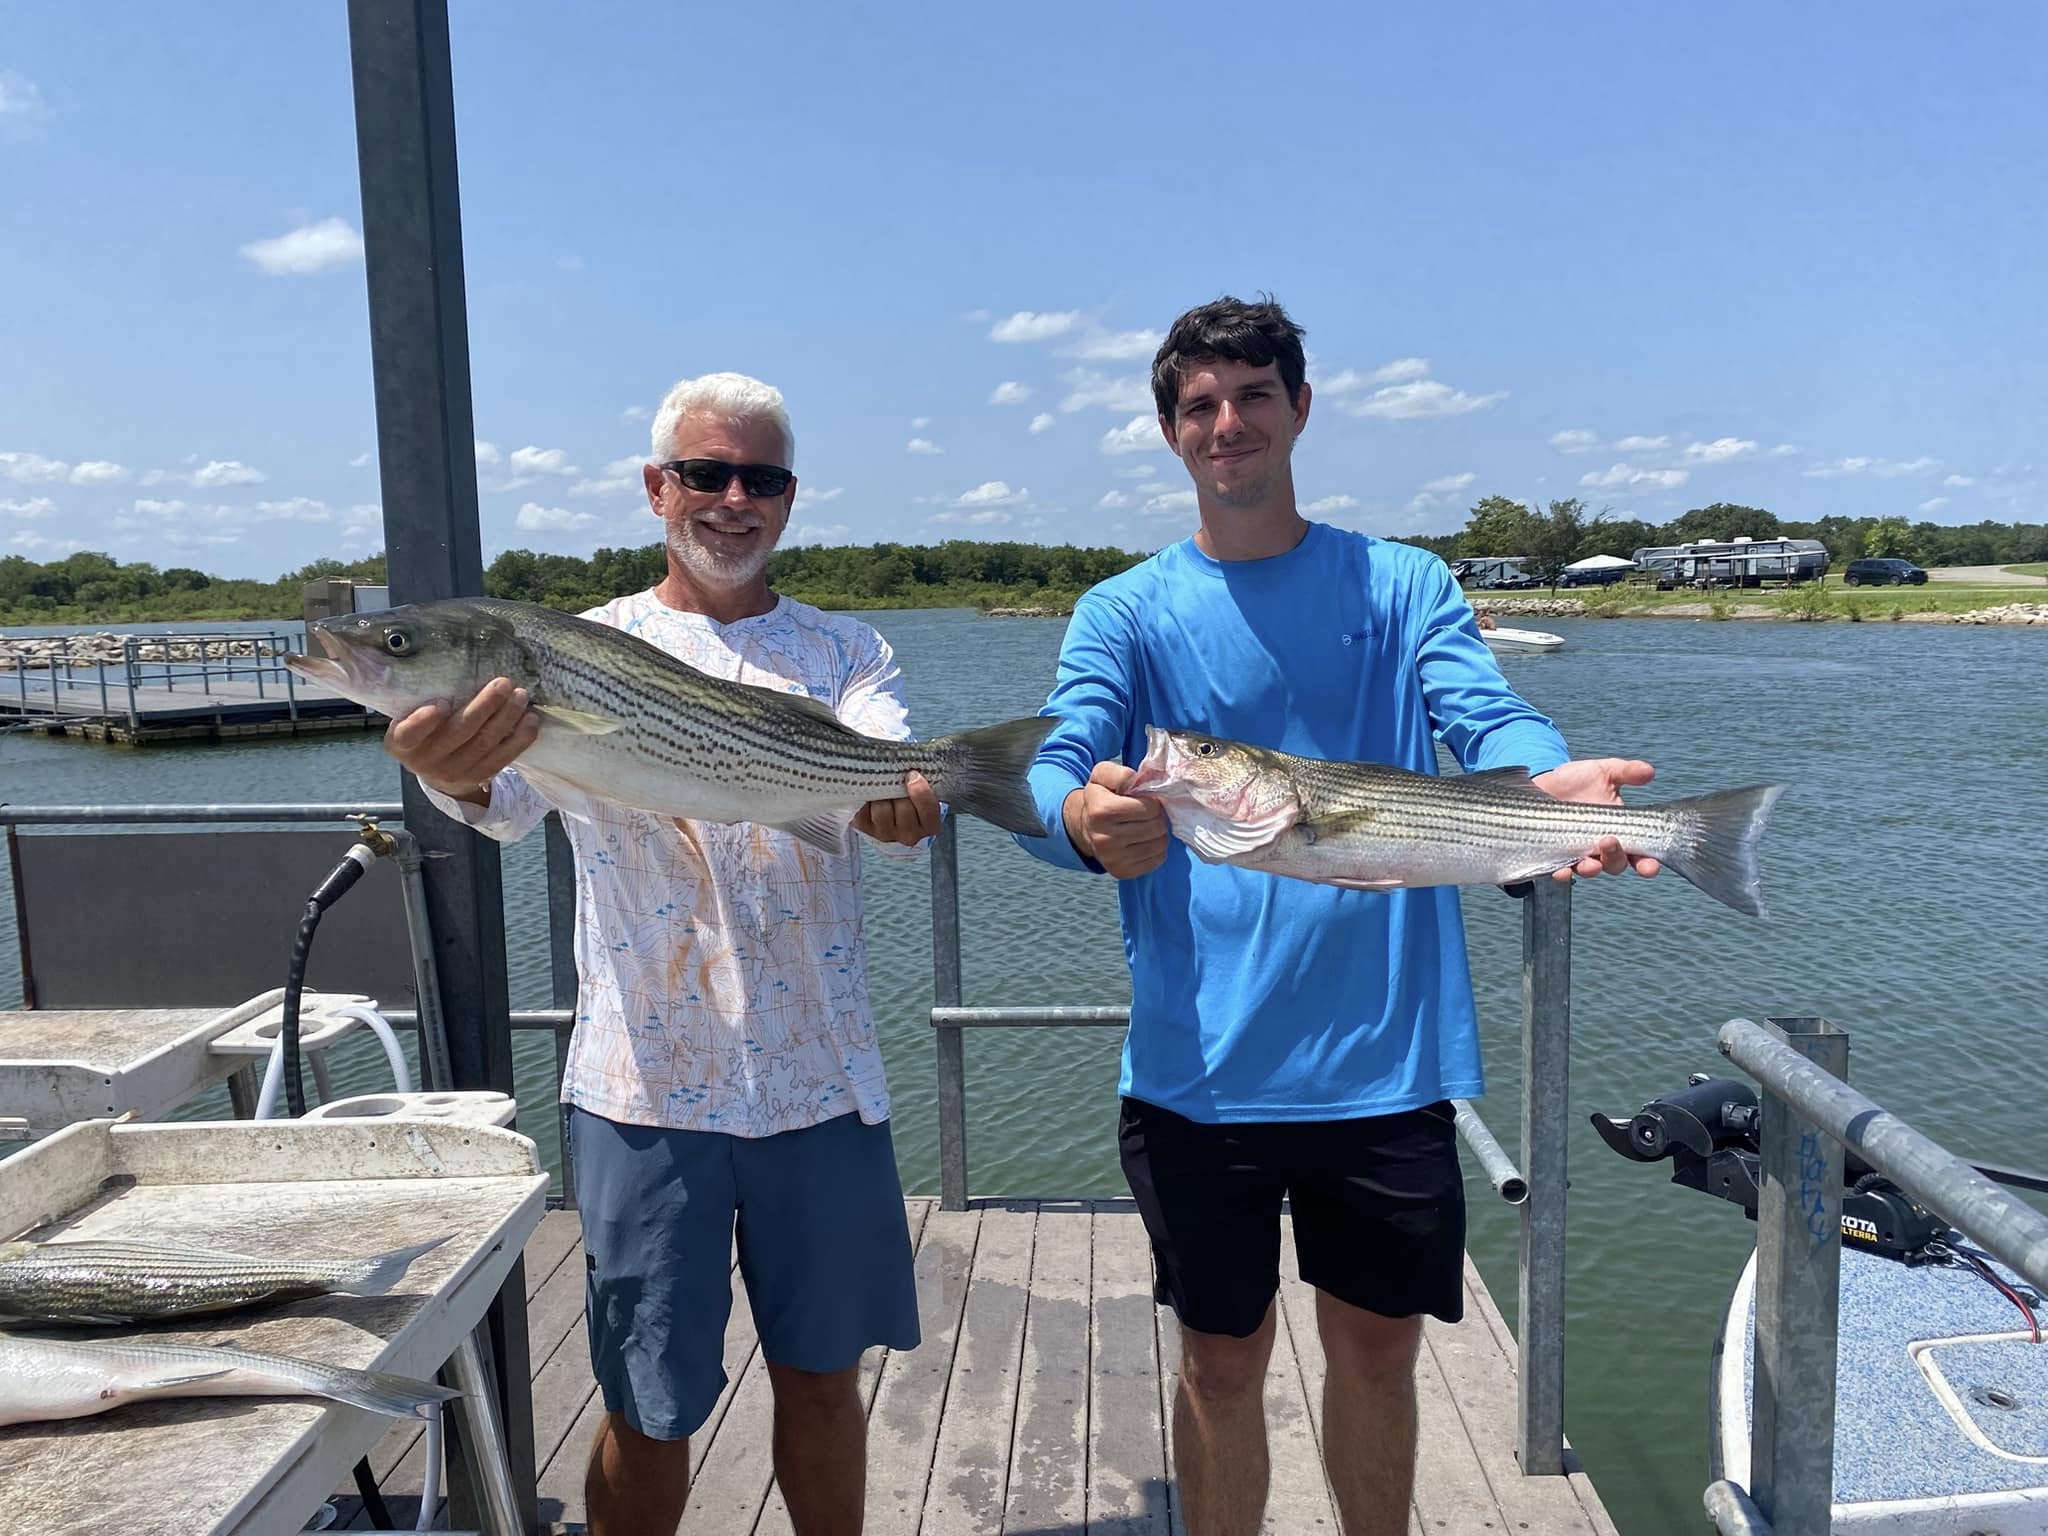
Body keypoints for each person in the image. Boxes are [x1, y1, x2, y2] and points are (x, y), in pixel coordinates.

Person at [1014, 297, 1659, 1536]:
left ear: (1298, 408)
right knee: (1217, 1367)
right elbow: (1057, 759)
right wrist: (1081, 823)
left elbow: (1482, 713)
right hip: (1197, 1076)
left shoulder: (1401, 580)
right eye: (1198, 404)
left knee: (1376, 1362)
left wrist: (1547, 784)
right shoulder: (1123, 610)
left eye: (1253, 395)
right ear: (1167, 433)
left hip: (1384, 1068)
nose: (1227, 423)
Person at [385, 371, 937, 1536]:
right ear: (655, 489)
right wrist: (452, 770)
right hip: (645, 1087)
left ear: (788, 500)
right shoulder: (569, 649)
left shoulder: (848, 652)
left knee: (824, 1380)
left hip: (821, 1080)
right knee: (646, 1401)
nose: (732, 499)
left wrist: (913, 798)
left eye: (761, 478)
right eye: (704, 473)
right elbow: (500, 799)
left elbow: (890, 777)